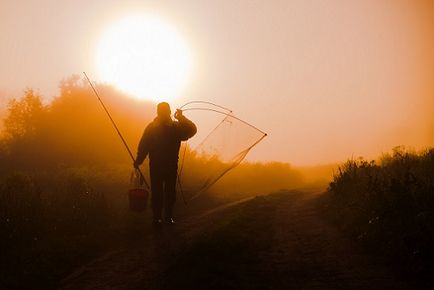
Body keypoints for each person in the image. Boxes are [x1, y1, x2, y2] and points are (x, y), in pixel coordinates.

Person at [134, 102, 197, 225]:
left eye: (164, 111)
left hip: (163, 166)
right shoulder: (174, 127)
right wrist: (181, 118)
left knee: (164, 192)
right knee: (165, 192)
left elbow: (143, 146)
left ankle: (161, 218)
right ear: (167, 112)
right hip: (165, 165)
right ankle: (162, 218)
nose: (163, 113)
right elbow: (192, 130)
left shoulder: (163, 127)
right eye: (162, 111)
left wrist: (139, 160)